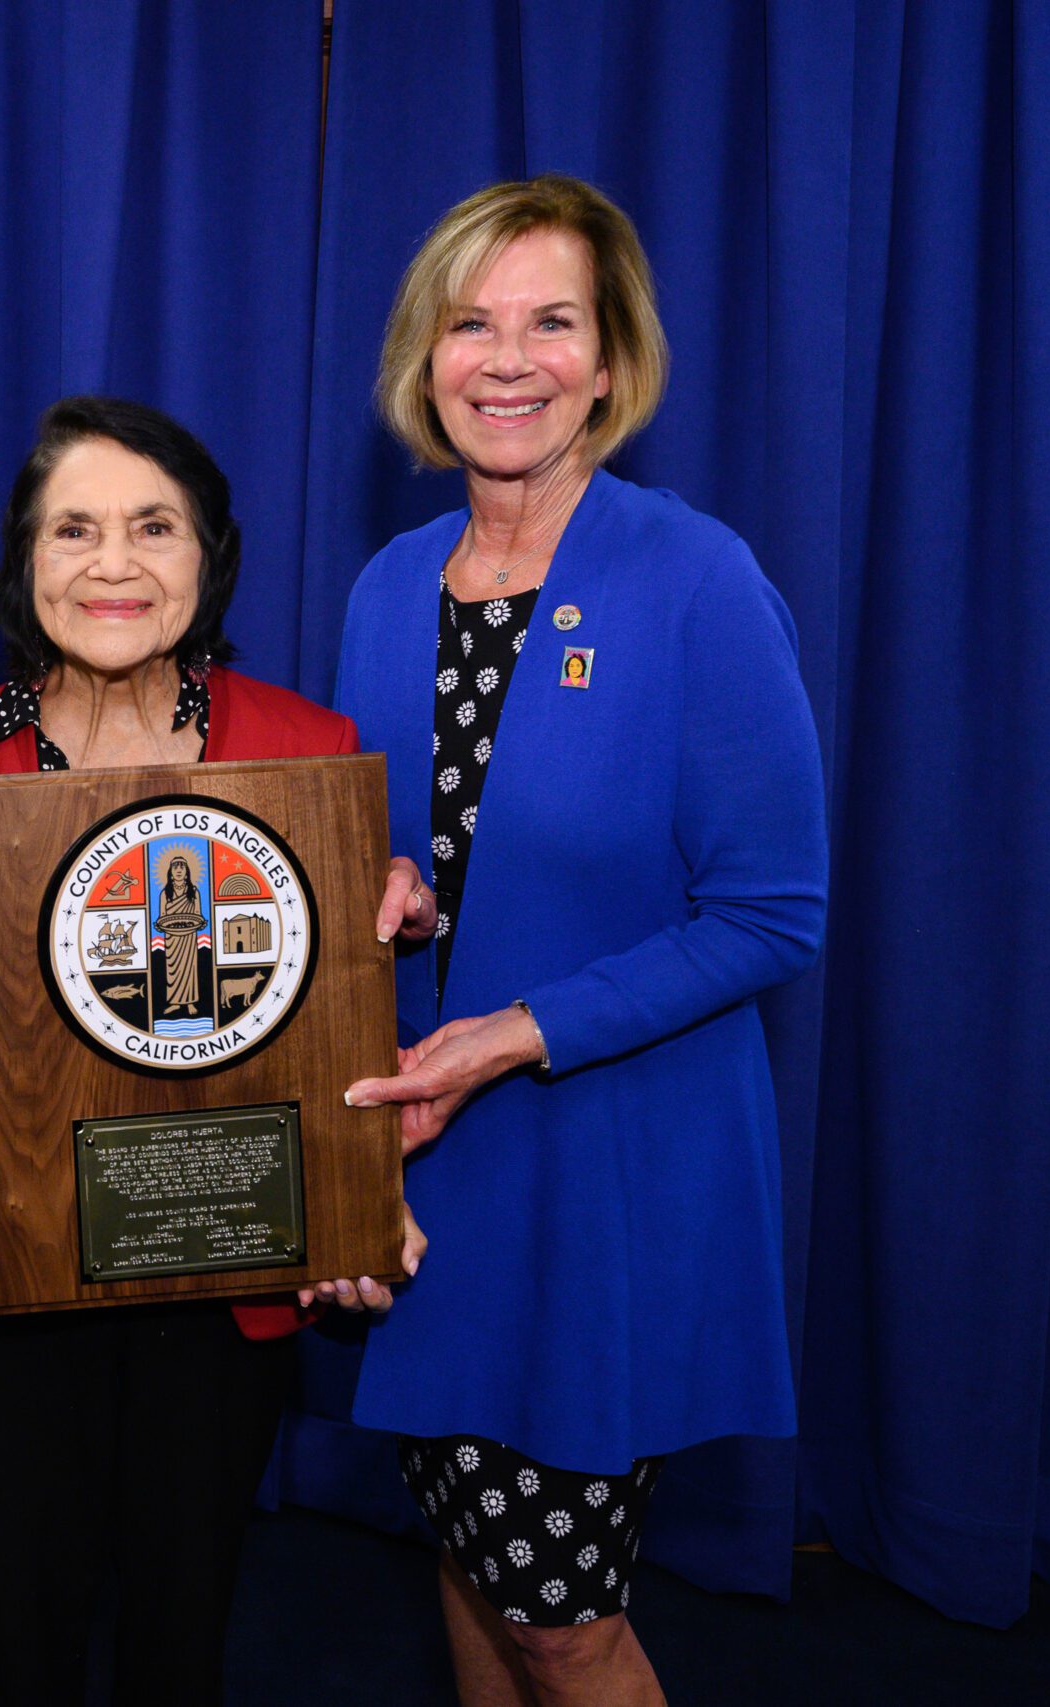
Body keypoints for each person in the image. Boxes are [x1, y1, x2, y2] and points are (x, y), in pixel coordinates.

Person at [0, 396, 428, 1706]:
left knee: (185, 1630)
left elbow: (331, 1030)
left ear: (210, 553)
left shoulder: (308, 752)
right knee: (17, 1637)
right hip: (4, 1277)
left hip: (216, 1268)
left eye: (153, 527)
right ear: (23, 560)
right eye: (75, 530)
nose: (114, 564)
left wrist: (354, 1195)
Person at [335, 176, 827, 1706]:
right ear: (426, 358)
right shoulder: (386, 588)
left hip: (604, 1169)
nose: (509, 357)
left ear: (612, 363)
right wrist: (396, 888)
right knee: (473, 1570)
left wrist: (516, 1029)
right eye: (472, 322)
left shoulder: (693, 580)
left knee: (558, 1615)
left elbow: (770, 912)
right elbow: (413, 849)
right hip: (435, 1162)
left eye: (554, 321)